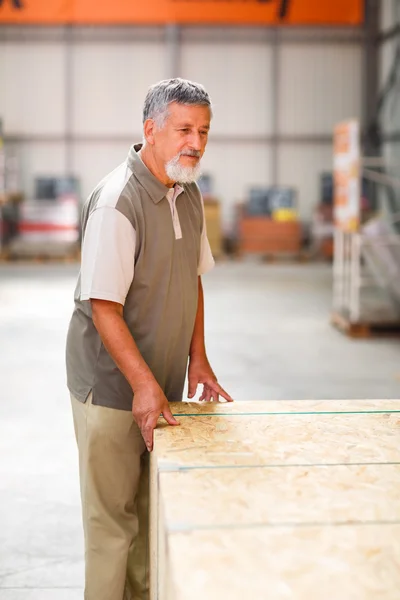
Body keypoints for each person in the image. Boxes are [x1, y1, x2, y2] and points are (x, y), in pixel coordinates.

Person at [66, 78, 233, 600]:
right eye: (184, 129)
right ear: (151, 130)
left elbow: (193, 277)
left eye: (203, 131)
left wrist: (197, 361)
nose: (196, 142)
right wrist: (142, 385)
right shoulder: (119, 200)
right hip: (115, 390)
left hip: (160, 386)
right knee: (114, 527)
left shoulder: (188, 191)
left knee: (150, 514)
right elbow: (103, 306)